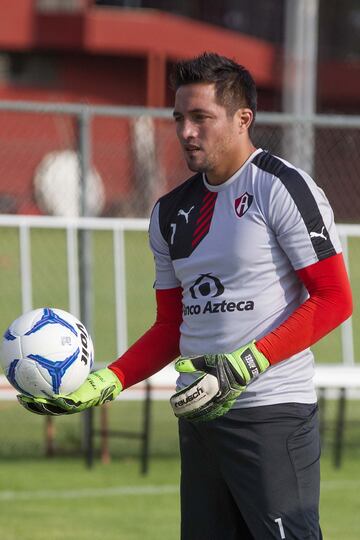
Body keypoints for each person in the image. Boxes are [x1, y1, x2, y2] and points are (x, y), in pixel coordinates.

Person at [18, 52, 352, 540]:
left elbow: (334, 299)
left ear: (243, 119)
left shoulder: (281, 189)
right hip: (198, 417)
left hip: (271, 415)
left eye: (201, 118)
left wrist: (246, 364)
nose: (186, 132)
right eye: (179, 118)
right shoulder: (168, 212)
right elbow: (173, 328)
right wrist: (108, 381)